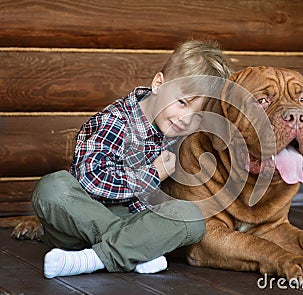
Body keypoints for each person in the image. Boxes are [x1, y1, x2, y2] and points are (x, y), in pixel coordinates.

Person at [31, 40, 233, 278]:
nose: (186, 119)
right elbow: (91, 180)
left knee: (192, 216)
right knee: (52, 187)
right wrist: (153, 174)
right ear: (158, 83)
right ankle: (133, 249)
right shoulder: (115, 121)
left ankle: (94, 258)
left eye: (198, 115)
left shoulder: (180, 135)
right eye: (182, 102)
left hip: (137, 221)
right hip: (81, 222)